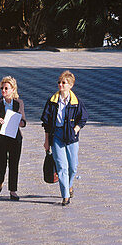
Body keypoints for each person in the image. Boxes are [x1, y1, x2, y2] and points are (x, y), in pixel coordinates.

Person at [40, 70, 87, 206]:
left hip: (71, 136)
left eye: (64, 83)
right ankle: (65, 195)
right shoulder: (52, 101)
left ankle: (70, 184)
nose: (60, 85)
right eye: (59, 82)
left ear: (70, 85)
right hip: (57, 135)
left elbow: (83, 118)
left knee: (73, 166)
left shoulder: (76, 102)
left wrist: (76, 129)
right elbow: (47, 123)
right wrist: (47, 140)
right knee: (62, 166)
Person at [0, 75, 26, 201]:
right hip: (0, 138)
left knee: (14, 165)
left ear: (13, 90)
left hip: (14, 138)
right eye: (2, 88)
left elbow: (24, 120)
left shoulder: (18, 103)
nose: (3, 91)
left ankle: (13, 190)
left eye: (6, 88)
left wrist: (21, 122)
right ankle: (0, 180)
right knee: (0, 163)